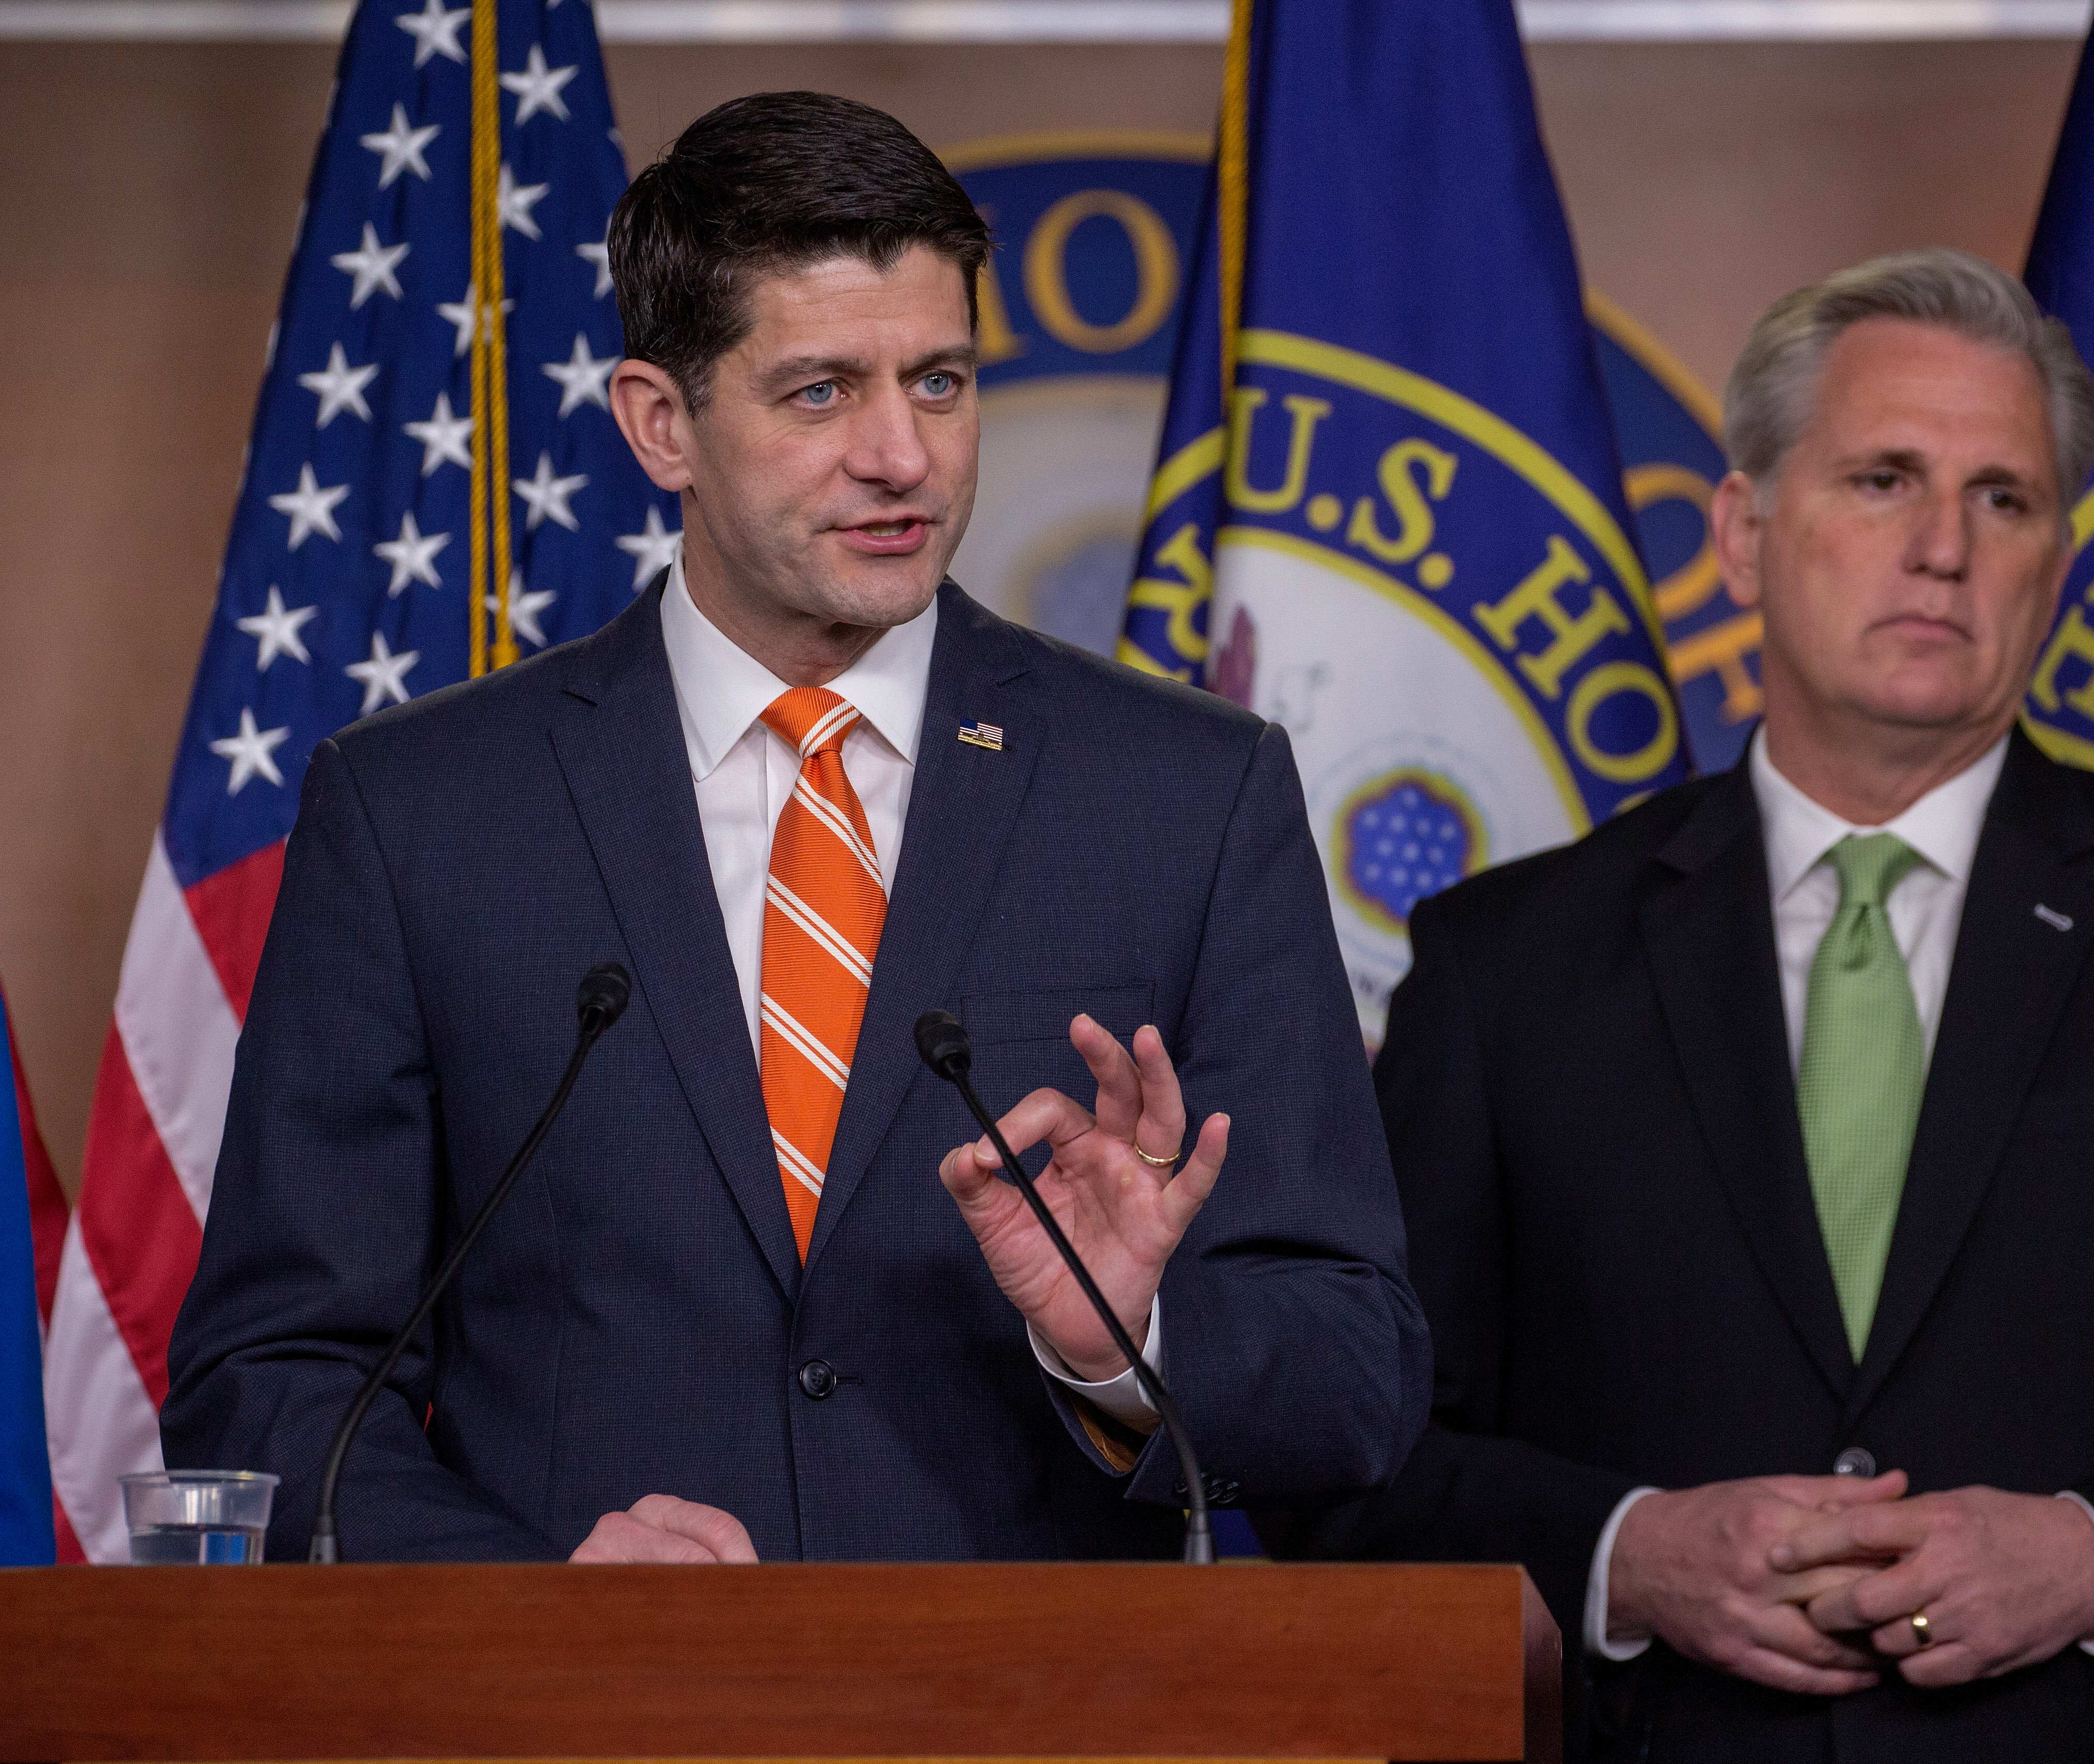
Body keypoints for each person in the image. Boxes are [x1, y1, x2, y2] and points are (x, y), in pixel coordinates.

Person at [163, 91, 1428, 1564]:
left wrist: (1122, 1339)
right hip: (584, 1726)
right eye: (821, 391)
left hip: (1043, 1716)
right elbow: (272, 1379)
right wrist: (527, 1597)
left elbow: (1360, 1374)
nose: (903, 455)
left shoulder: (1186, 795)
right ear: (659, 424)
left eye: (941, 383)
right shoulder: (421, 813)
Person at [1287, 249, 2094, 1758]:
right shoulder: (1504, 963)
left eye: (2003, 499)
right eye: (1882, 479)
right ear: (1741, 531)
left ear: (2056, 560)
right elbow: (1356, 1451)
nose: (1941, 548)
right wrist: (1625, 1551)